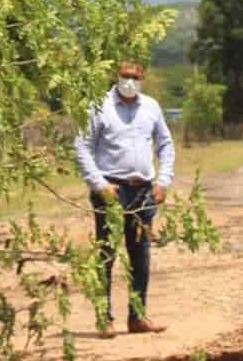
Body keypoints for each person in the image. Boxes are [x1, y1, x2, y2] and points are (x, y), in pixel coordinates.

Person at [74, 60, 175, 336]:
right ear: (115, 76)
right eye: (125, 76)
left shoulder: (151, 107)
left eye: (135, 76)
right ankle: (104, 318)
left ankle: (138, 317)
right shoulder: (98, 106)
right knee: (106, 254)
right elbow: (82, 147)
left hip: (143, 190)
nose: (130, 81)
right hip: (111, 190)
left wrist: (163, 180)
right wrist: (98, 184)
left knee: (140, 255)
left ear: (143, 77)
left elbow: (165, 144)